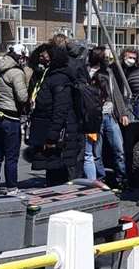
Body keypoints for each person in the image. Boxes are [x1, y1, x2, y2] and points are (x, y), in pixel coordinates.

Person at [26, 42, 90, 185]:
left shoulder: (59, 78)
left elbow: (61, 109)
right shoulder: (45, 76)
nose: (41, 60)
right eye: (40, 57)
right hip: (48, 129)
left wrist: (52, 136)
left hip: (60, 133)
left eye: (44, 57)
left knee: (59, 171)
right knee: (52, 170)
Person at [0, 43, 31, 190]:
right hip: (11, 117)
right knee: (11, 156)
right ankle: (12, 187)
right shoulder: (16, 72)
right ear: (19, 57)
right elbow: (22, 97)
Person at [86, 46, 129, 186]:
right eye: (105, 56)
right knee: (96, 153)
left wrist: (122, 113)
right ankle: (101, 179)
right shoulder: (86, 72)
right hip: (95, 117)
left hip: (110, 116)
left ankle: (121, 179)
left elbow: (115, 92)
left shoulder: (108, 72)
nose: (107, 58)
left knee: (119, 149)